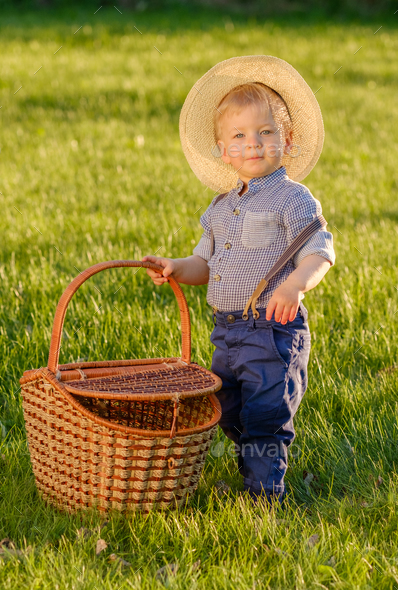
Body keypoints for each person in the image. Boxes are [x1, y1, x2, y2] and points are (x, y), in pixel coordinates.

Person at [143, 55, 335, 505]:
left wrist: (296, 285)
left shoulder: (293, 199)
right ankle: (250, 453)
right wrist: (175, 266)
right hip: (226, 332)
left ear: (287, 140)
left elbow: (321, 251)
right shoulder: (221, 207)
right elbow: (203, 264)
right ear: (223, 150)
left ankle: (264, 494)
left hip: (271, 332)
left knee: (266, 413)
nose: (254, 144)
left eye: (265, 133)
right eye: (240, 136)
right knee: (224, 407)